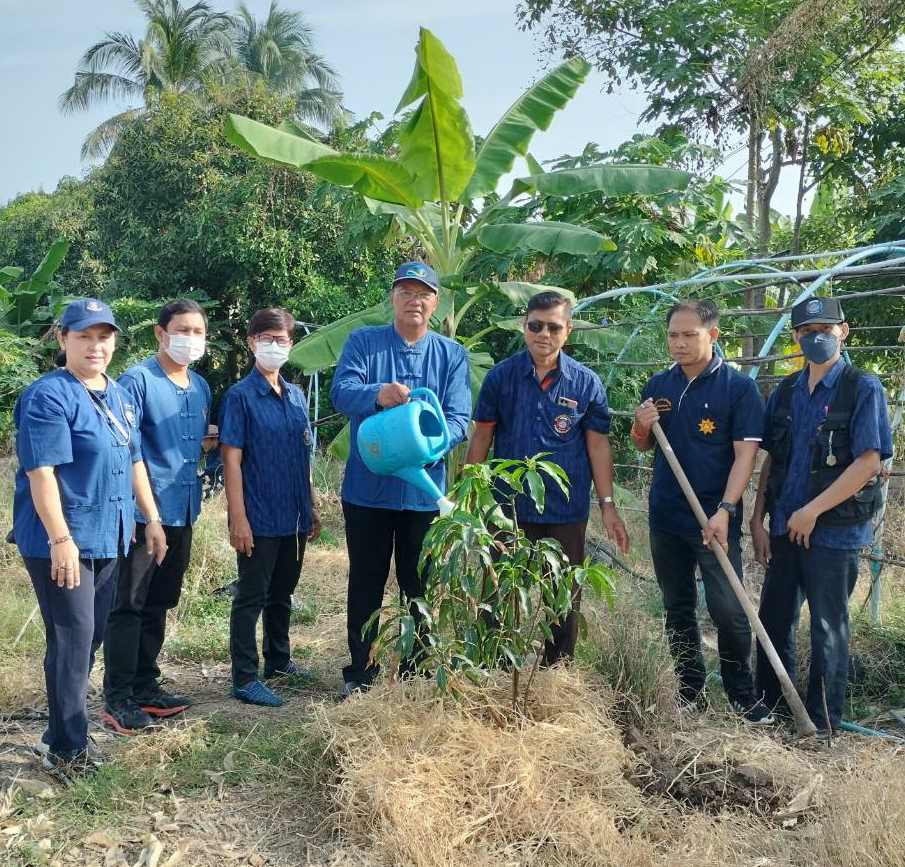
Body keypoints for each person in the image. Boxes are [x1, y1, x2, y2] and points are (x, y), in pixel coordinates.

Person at [11, 298, 168, 783]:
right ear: (63, 340)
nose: (95, 346)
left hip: (109, 534)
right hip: (63, 540)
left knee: (88, 637)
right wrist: (60, 538)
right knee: (73, 639)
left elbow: (135, 459)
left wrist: (151, 518)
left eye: (104, 337)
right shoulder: (48, 396)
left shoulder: (118, 394)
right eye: (84, 336)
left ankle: (58, 734)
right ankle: (67, 748)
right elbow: (41, 473)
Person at [750, 295, 892, 738]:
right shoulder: (787, 391)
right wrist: (757, 520)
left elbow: (868, 462)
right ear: (796, 337)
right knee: (774, 622)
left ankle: (822, 723)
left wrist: (812, 511)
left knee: (828, 629)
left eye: (825, 331)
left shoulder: (861, 387)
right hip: (783, 527)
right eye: (807, 332)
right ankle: (773, 710)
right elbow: (772, 459)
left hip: (834, 531)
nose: (817, 338)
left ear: (842, 332)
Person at [465, 290, 629, 663]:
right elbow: (482, 437)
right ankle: (495, 663)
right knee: (501, 587)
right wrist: (470, 494)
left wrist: (607, 505)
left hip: (566, 508)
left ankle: (557, 667)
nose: (544, 334)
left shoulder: (585, 383)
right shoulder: (501, 377)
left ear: (568, 331)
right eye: (536, 326)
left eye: (553, 327)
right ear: (524, 327)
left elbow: (598, 447)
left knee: (563, 591)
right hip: (508, 506)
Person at [331, 262, 471, 695]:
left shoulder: (451, 355)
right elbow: (340, 393)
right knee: (366, 580)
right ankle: (362, 672)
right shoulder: (364, 343)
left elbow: (459, 418)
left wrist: (428, 447)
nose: (415, 301)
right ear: (392, 298)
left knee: (419, 583)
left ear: (436, 302)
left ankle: (417, 670)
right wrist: (377, 394)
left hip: (423, 494)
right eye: (406, 292)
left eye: (423, 293)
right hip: (367, 492)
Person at [631, 299, 770, 722]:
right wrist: (640, 424)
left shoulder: (737, 388)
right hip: (667, 517)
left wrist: (726, 509)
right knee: (678, 608)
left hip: (714, 520)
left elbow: (745, 457)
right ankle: (690, 691)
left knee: (729, 609)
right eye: (673, 335)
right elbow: (642, 444)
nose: (679, 343)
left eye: (689, 335)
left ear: (712, 335)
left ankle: (741, 695)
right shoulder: (659, 384)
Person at [102, 299, 214, 733]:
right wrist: (143, 513)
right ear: (160, 333)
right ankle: (119, 696)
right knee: (129, 603)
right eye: (182, 330)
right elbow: (126, 449)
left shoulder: (200, 387)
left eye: (198, 331)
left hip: (182, 509)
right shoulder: (138, 381)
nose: (191, 338)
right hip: (142, 514)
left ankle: (146, 685)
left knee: (161, 601)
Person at [219, 308, 321, 707]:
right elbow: (231, 460)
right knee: (251, 596)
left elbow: (303, 455)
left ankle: (278, 661)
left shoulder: (295, 396)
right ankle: (245, 678)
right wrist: (238, 518)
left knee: (282, 592)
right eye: (267, 338)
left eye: (282, 339)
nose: (275, 345)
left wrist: (312, 505)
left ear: (291, 344)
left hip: (293, 513)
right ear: (251, 342)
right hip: (258, 515)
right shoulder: (240, 396)